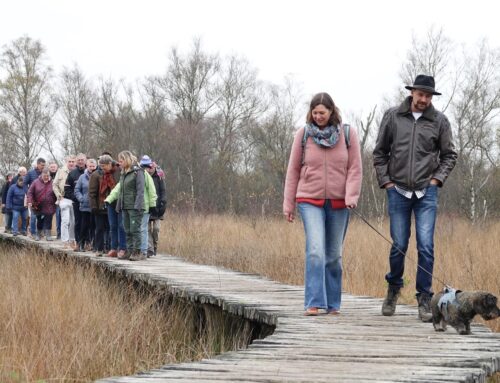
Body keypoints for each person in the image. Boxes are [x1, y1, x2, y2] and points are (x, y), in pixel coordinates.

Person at [373, 75, 457, 322]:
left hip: (426, 193)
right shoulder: (392, 116)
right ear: (412, 93)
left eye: (428, 96)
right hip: (397, 190)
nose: (424, 100)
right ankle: (393, 289)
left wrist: (436, 180)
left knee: (426, 246)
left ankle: (424, 298)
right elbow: (379, 153)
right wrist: (386, 182)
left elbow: (449, 155)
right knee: (399, 244)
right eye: (420, 94)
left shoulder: (440, 121)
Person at [283, 92, 362, 316]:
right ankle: (314, 302)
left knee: (334, 255)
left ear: (331, 112)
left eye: (322, 112)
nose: (318, 116)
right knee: (316, 250)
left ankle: (333, 305)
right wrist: (288, 205)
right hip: (309, 199)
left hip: (340, 202)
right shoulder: (304, 135)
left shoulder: (347, 134)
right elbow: (293, 170)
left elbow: (355, 168)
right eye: (315, 113)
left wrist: (351, 196)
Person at [105, 151, 146, 261]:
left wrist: (138, 206)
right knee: (126, 229)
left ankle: (138, 252)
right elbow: (121, 191)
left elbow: (140, 191)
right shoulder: (123, 173)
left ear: (126, 160)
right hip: (125, 206)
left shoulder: (138, 172)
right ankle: (129, 250)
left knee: (134, 229)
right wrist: (119, 206)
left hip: (135, 207)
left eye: (121, 160)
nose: (119, 163)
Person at [88, 155, 119, 256]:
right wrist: (93, 206)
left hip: (113, 205)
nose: (102, 168)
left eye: (104, 165)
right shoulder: (96, 175)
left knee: (112, 227)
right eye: (101, 165)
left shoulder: (116, 173)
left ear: (110, 164)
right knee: (99, 228)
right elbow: (92, 192)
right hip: (99, 206)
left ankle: (111, 248)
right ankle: (99, 249)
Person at [53, 155, 77, 249]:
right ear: (66, 162)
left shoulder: (77, 172)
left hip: (74, 199)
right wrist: (59, 196)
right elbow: (54, 185)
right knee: (65, 220)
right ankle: (65, 241)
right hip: (63, 198)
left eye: (72, 161)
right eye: (69, 161)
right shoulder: (60, 171)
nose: (71, 163)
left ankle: (72, 240)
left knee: (73, 221)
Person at [27, 168, 57, 241]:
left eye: (47, 176)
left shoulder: (53, 182)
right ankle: (38, 234)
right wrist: (30, 201)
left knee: (49, 220)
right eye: (44, 176)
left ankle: (48, 235)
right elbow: (30, 192)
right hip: (38, 205)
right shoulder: (35, 182)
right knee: (39, 220)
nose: (46, 177)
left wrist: (57, 200)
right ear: (41, 175)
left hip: (50, 204)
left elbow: (56, 192)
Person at [144, 160, 167, 256]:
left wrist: (163, 204)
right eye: (148, 168)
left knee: (156, 229)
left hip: (158, 207)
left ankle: (155, 245)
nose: (150, 169)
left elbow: (163, 191)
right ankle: (150, 248)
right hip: (148, 206)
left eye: (151, 168)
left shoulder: (159, 177)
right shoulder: (144, 176)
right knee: (148, 229)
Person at [74, 159, 97, 252]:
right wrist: (81, 199)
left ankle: (92, 244)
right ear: (87, 166)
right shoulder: (82, 177)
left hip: (96, 206)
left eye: (93, 166)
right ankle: (81, 244)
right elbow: (77, 189)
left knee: (94, 226)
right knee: (84, 226)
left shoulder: (99, 175)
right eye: (90, 166)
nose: (92, 168)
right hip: (85, 206)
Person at [64, 153, 86, 244]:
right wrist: (75, 198)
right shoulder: (72, 173)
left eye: (82, 160)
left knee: (87, 223)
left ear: (85, 160)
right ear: (77, 161)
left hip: (89, 203)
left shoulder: (90, 171)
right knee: (77, 222)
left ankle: (87, 242)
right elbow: (67, 189)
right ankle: (78, 242)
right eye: (79, 160)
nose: (80, 162)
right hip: (76, 202)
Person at [138, 155, 158, 258]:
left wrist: (152, 205)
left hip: (145, 206)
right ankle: (140, 249)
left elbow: (152, 191)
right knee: (141, 229)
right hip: (137, 206)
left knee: (143, 229)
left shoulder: (146, 176)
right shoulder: (138, 174)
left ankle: (144, 250)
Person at [24, 157, 46, 236]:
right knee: (33, 216)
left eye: (44, 165)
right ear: (37, 164)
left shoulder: (45, 173)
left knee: (43, 216)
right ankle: (33, 233)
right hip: (33, 198)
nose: (43, 167)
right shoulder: (30, 173)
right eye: (42, 165)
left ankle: (40, 232)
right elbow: (24, 184)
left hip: (43, 198)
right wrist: (28, 192)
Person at [48, 161, 61, 239]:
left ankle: (59, 233)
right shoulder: (46, 175)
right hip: (49, 200)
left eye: (54, 167)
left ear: (57, 168)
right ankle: (47, 232)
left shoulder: (60, 175)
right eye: (51, 167)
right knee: (48, 216)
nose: (53, 168)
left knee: (59, 216)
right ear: (49, 168)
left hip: (58, 199)